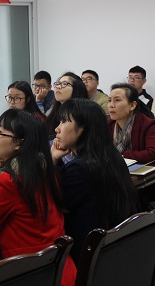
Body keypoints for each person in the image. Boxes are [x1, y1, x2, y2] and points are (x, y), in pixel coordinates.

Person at [0, 109, 76, 286]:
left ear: (19, 143)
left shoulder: (10, 181)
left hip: (29, 274)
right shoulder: (42, 168)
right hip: (60, 269)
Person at [51, 98, 141, 262]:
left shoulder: (79, 169)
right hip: (116, 251)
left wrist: (52, 161)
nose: (57, 128)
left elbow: (52, 207)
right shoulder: (113, 157)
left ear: (83, 128)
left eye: (64, 121)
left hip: (86, 256)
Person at [107, 83, 155, 202]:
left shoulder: (148, 124)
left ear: (132, 105)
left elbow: (154, 154)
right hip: (119, 177)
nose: (111, 105)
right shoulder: (109, 125)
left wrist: (123, 155)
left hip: (150, 184)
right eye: (109, 100)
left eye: (117, 100)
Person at [45, 72, 88, 137]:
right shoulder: (53, 114)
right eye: (58, 84)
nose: (58, 87)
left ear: (76, 89)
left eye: (64, 84)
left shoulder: (83, 114)